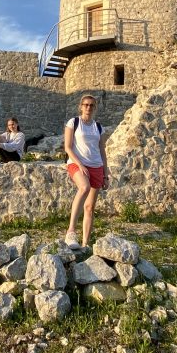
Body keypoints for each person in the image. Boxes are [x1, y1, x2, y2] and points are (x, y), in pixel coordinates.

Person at [63, 95, 109, 249]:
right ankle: (71, 231)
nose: (88, 107)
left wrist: (106, 174)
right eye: (86, 105)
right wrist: (80, 164)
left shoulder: (99, 127)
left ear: (95, 108)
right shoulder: (74, 122)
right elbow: (67, 147)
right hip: (77, 163)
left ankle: (85, 245)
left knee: (89, 207)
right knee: (84, 187)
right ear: (81, 106)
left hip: (97, 165)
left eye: (91, 105)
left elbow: (102, 151)